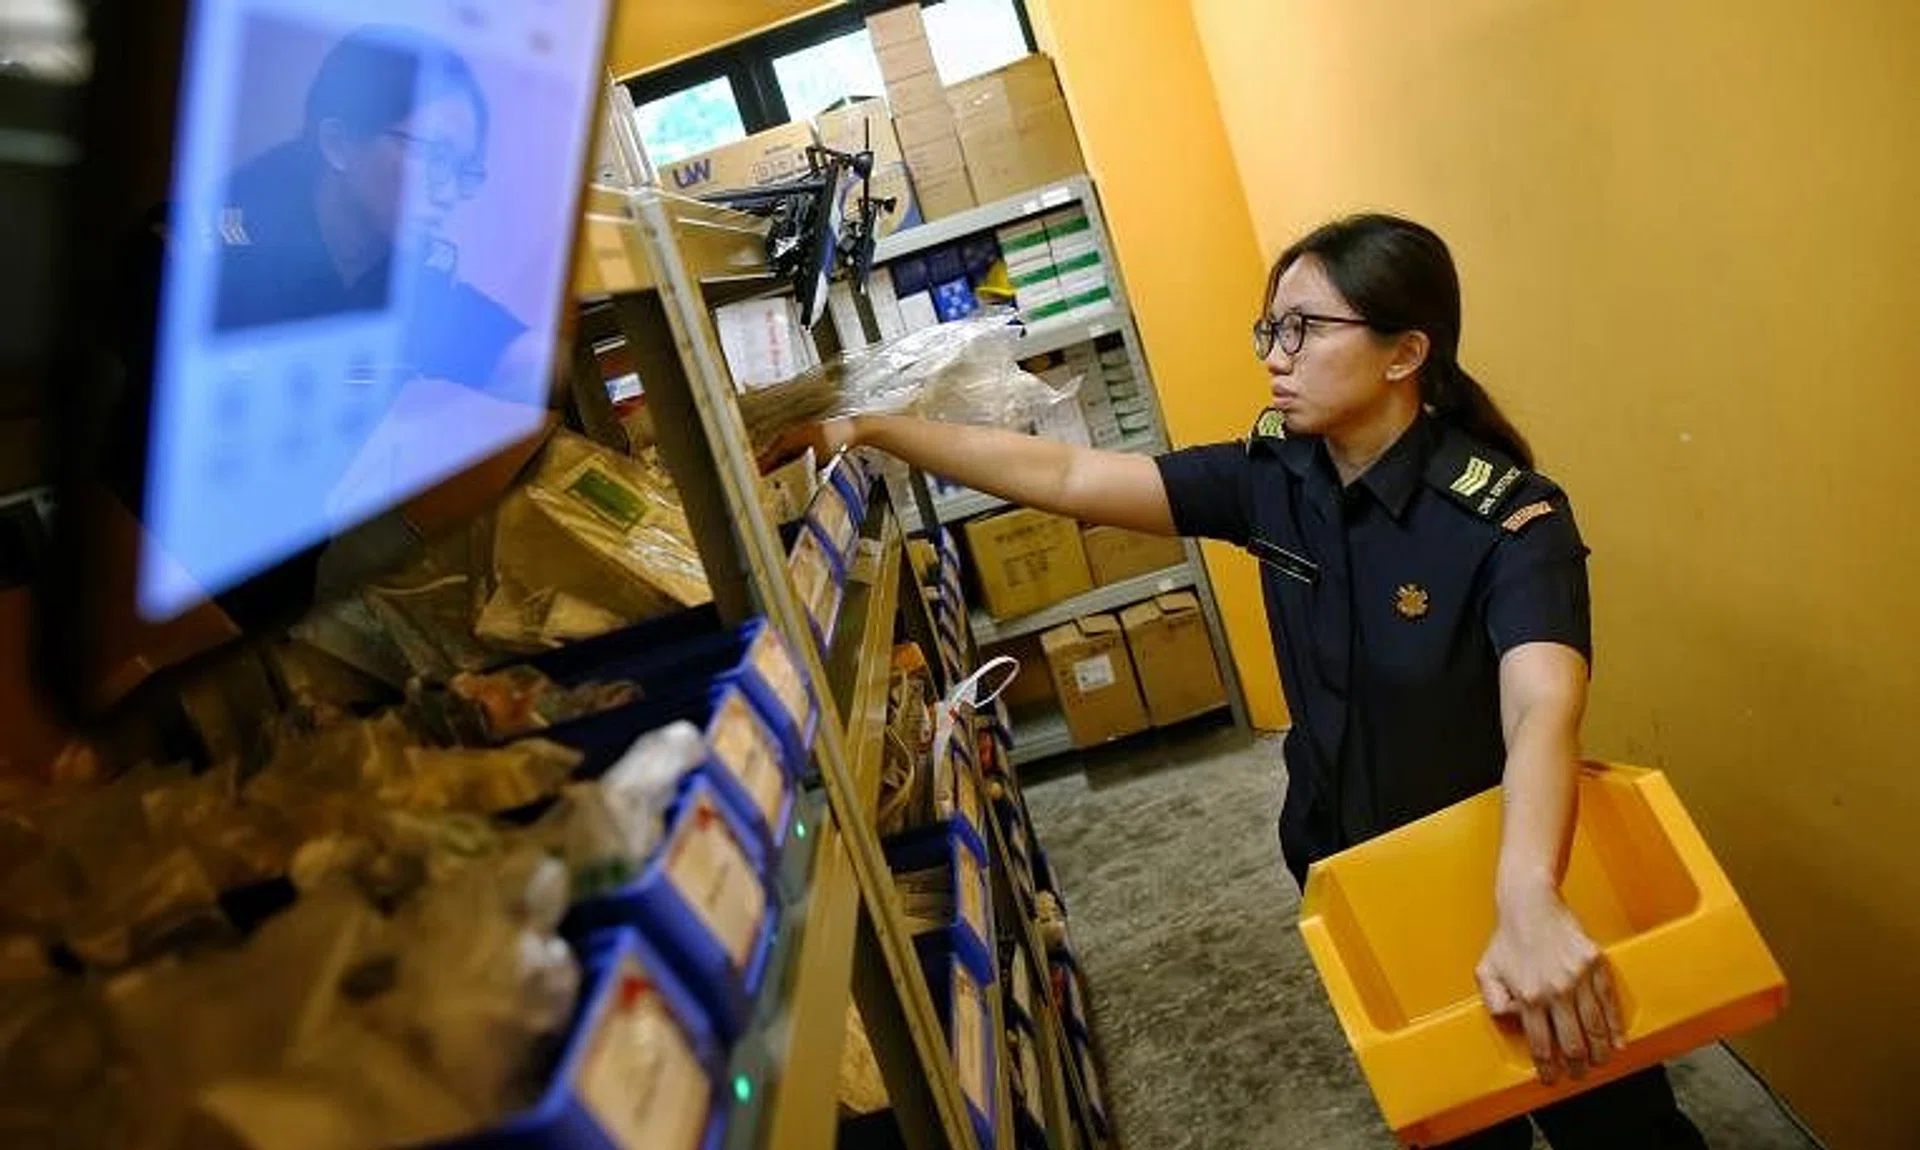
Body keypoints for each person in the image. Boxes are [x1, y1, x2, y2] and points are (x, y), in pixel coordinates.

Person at [773, 214, 1707, 1148]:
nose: (1276, 355)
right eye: (1271, 328)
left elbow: (1544, 705)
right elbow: (1066, 473)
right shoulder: (1279, 479)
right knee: (1456, 1118)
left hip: (1503, 865)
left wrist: (1529, 896)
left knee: (1614, 1119)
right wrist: (874, 429)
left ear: (1404, 353)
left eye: (1304, 328)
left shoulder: (1506, 517)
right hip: (1353, 869)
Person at [213, 24, 530, 391]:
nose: (450, 193)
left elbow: (503, 346)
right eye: (436, 156)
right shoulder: (223, 256)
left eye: (464, 170)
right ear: (339, 144)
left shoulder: (397, 262)